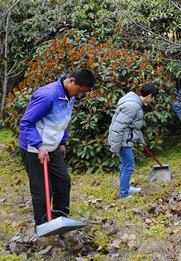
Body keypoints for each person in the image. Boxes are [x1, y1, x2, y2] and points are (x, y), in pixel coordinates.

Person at [18, 69, 95, 229]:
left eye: (83, 92)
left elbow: (63, 119)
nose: (80, 94)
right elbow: (26, 122)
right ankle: (44, 226)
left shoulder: (70, 95)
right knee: (42, 191)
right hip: (34, 149)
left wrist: (62, 141)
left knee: (63, 182)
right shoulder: (47, 95)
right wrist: (39, 146)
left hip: (52, 147)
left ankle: (60, 221)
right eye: (79, 90)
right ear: (71, 81)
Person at [108, 83, 158, 199]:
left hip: (126, 140)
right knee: (129, 166)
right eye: (154, 97)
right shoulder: (132, 106)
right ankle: (124, 194)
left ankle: (126, 188)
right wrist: (116, 146)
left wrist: (140, 140)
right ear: (150, 95)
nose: (153, 100)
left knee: (126, 165)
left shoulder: (135, 104)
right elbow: (118, 127)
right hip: (122, 141)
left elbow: (133, 127)